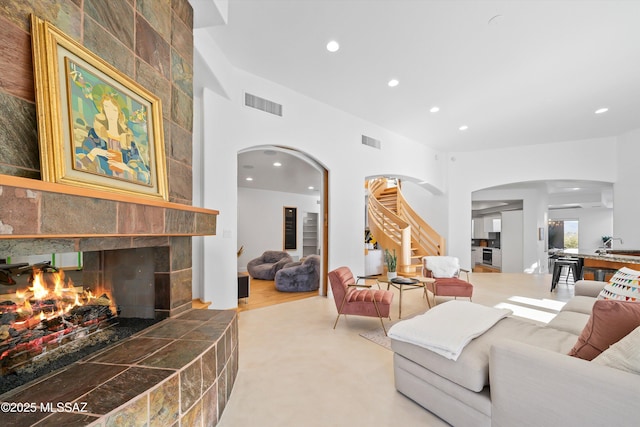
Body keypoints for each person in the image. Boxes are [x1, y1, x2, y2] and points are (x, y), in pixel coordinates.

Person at [75, 88, 151, 185]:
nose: (110, 112)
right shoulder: (95, 135)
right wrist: (95, 152)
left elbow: (146, 177)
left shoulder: (128, 142)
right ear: (103, 110)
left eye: (114, 109)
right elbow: (78, 166)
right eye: (107, 107)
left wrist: (128, 168)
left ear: (119, 113)